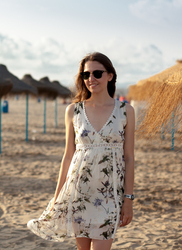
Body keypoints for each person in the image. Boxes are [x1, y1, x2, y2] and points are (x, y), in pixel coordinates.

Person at [27, 52, 135, 250]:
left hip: (109, 194)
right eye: (86, 75)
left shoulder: (125, 111)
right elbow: (68, 156)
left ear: (110, 75)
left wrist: (128, 199)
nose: (91, 79)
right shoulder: (73, 111)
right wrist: (57, 196)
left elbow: (129, 158)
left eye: (97, 73)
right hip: (79, 193)